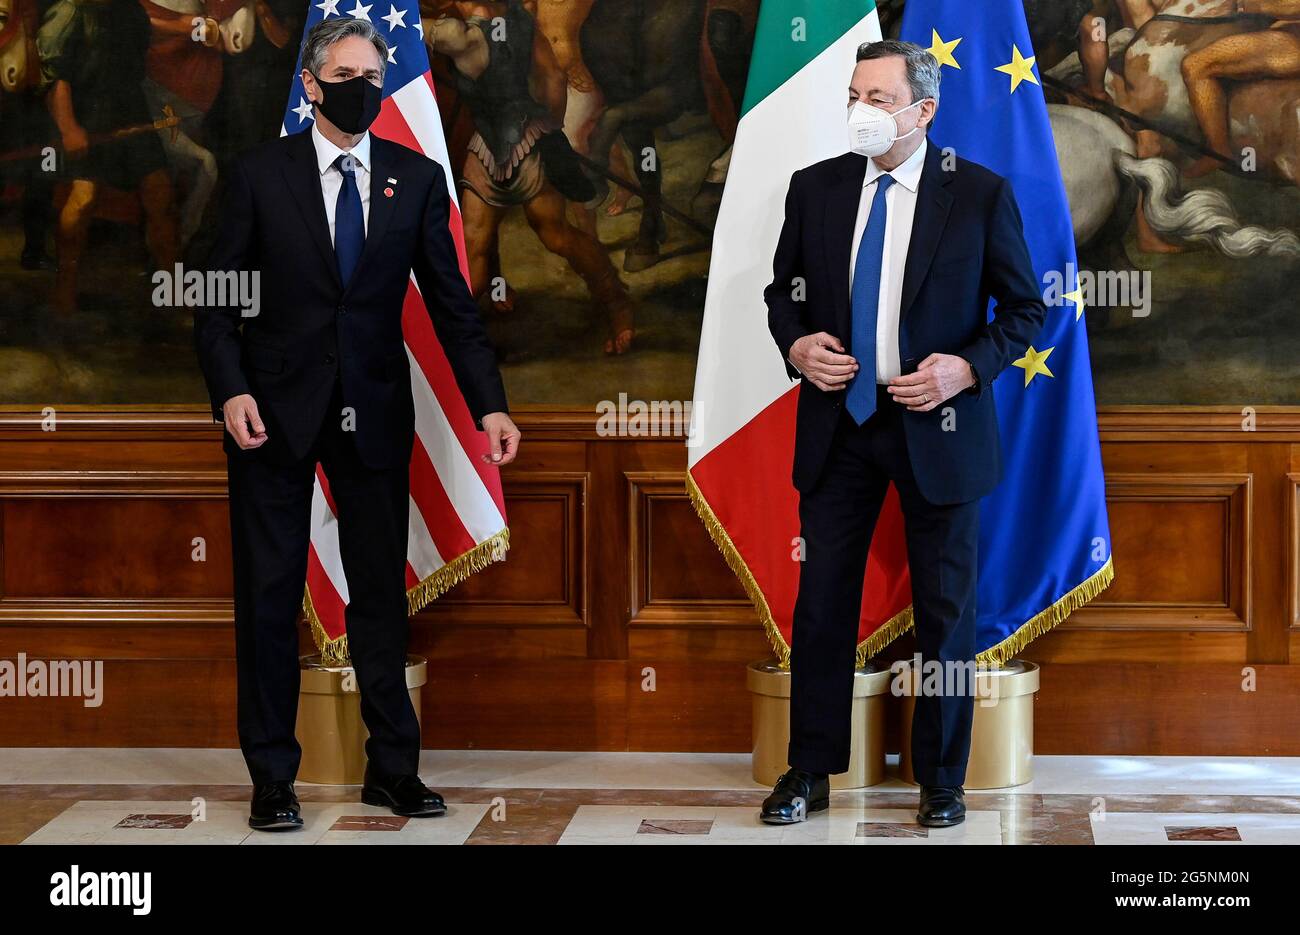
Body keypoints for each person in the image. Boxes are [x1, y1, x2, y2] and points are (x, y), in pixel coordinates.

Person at [193, 16, 520, 831]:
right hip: (269, 414)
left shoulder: (412, 177)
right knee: (269, 596)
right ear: (310, 83)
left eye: (374, 76)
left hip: (372, 409)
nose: (363, 89)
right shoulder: (259, 175)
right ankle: (273, 777)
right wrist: (230, 389)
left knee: (380, 592)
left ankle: (392, 771)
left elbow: (454, 305)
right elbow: (210, 296)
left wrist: (490, 402)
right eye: (346, 75)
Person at [761, 39, 1045, 828]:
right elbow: (781, 293)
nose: (861, 109)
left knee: (946, 610)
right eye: (855, 93)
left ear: (923, 110)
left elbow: (1027, 310)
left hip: (939, 423)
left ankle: (941, 780)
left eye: (879, 98)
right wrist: (795, 342)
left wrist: (965, 368)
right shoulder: (814, 189)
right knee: (821, 603)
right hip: (840, 424)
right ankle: (808, 770)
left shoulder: (979, 194)